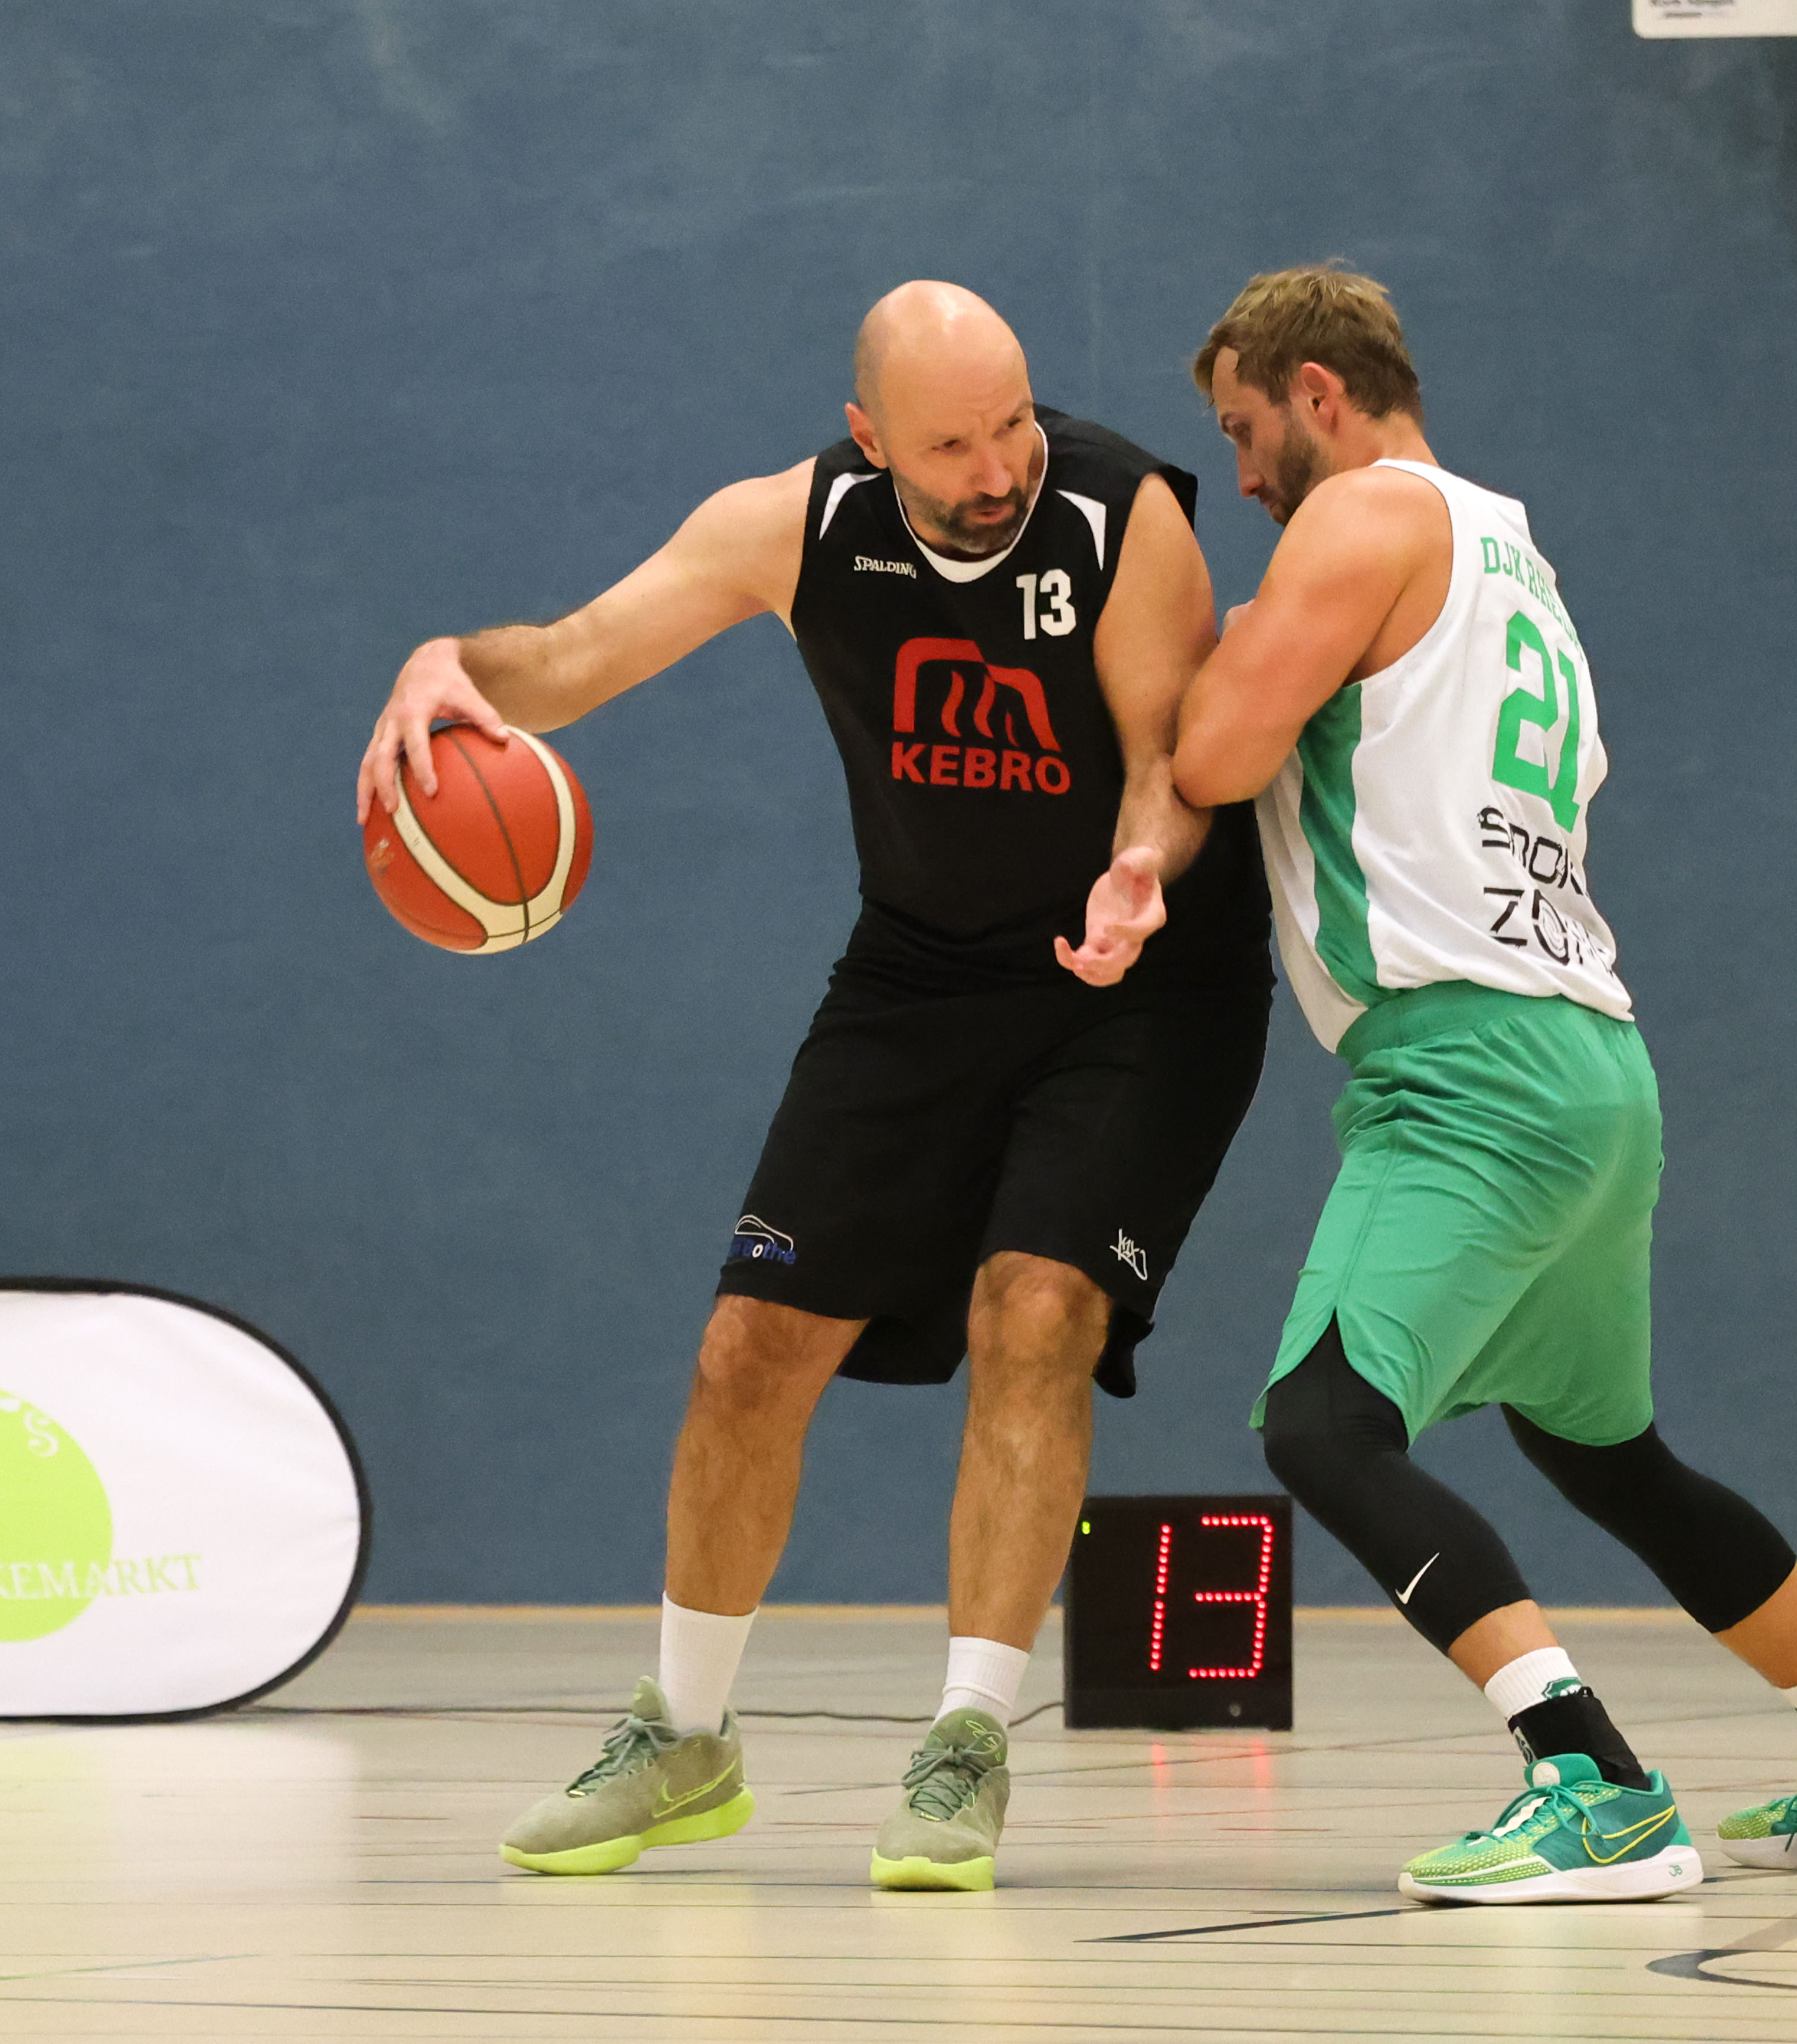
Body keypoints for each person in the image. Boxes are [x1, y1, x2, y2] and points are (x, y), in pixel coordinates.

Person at [357, 281, 1271, 1891]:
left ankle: (964, 1743)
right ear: (869, 439)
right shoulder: (793, 525)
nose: (997, 469)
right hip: (919, 975)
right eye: (953, 445)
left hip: (1138, 980)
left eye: (1012, 424)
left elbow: (1164, 759)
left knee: (1034, 1314)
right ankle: (682, 1738)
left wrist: (1142, 865)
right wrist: (445, 664)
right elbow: (564, 662)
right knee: (749, 1347)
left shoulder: (1120, 514)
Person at [1164, 264, 1797, 1904]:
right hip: (1595, 1067)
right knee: (1607, 1455)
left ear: (1320, 394)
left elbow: (1211, 757)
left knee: (1320, 1427)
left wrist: (1207, 653)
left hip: (1466, 1066)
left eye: (1246, 432)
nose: (1241, 476)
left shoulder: (1361, 517)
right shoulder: (1513, 554)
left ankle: (1591, 1780)